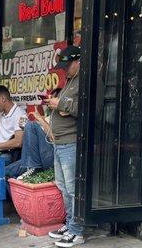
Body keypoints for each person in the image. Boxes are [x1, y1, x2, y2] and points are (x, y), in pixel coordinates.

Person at [45, 45, 85, 247]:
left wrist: (59, 104)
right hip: (59, 142)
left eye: (67, 65)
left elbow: (86, 109)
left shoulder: (85, 81)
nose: (64, 69)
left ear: (78, 62)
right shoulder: (70, 80)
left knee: (72, 188)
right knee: (63, 187)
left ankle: (77, 231)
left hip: (71, 141)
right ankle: (70, 224)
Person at [6, 111, 54, 180]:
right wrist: (26, 130)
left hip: (52, 157)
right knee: (4, 172)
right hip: (36, 158)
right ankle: (30, 168)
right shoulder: (49, 117)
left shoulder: (60, 120)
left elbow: (54, 138)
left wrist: (40, 119)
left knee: (31, 125)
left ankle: (32, 168)